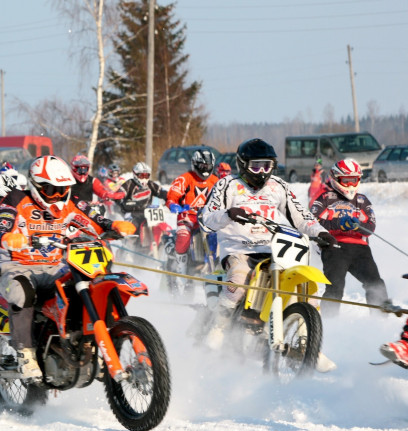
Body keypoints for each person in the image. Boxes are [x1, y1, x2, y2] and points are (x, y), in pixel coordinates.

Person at [199, 138, 337, 371]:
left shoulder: (278, 186)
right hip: (238, 249)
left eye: (267, 166)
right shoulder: (228, 185)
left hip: (273, 248)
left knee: (306, 285)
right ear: (242, 165)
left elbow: (301, 216)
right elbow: (206, 219)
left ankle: (310, 344)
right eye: (255, 166)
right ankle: (219, 327)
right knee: (240, 278)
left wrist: (321, 232)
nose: (262, 172)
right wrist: (229, 213)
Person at [0, 155, 136, 380]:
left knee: (87, 283)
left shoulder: (68, 204)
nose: (59, 195)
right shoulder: (16, 198)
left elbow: (90, 217)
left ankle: (87, 341)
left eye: (63, 189)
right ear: (36, 185)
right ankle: (26, 354)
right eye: (52, 189)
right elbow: (2, 223)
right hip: (16, 265)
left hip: (53, 266)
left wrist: (112, 226)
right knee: (22, 292)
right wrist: (7, 237)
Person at [309, 158, 388, 317]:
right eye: (346, 181)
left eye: (354, 181)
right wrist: (338, 223)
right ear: (336, 178)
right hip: (334, 247)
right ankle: (329, 323)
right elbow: (313, 222)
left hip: (360, 250)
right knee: (336, 287)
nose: (351, 185)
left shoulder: (362, 200)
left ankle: (380, 320)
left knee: (376, 284)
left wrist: (359, 225)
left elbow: (371, 227)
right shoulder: (325, 199)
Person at [166, 149, 219, 282]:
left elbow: (224, 196)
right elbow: (173, 194)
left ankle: (220, 267)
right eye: (202, 166)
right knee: (183, 237)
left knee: (222, 237)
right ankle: (181, 269)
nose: (205, 169)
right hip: (187, 217)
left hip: (207, 217)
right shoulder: (185, 178)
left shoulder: (216, 180)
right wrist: (173, 204)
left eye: (208, 166)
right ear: (195, 164)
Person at [116, 162, 168, 250]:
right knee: (133, 229)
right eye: (141, 175)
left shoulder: (151, 184)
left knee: (161, 225)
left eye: (146, 175)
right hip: (132, 213)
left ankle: (161, 244)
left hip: (148, 213)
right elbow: (119, 194)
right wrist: (122, 200)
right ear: (135, 174)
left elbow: (162, 192)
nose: (144, 178)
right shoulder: (129, 184)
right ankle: (131, 248)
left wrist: (170, 197)